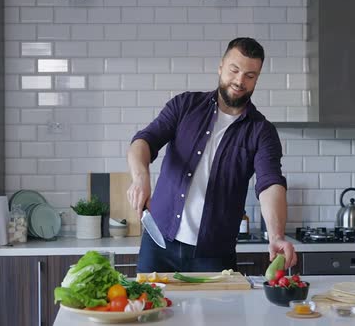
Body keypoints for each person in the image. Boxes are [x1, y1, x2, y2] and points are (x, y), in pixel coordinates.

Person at [126, 37, 297, 273]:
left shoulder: (261, 131)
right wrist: (140, 178)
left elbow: (270, 183)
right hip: (158, 244)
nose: (239, 81)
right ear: (221, 67)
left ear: (257, 78)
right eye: (234, 70)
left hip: (214, 254)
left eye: (250, 75)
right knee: (151, 309)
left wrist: (276, 235)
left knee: (218, 312)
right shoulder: (185, 106)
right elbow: (143, 142)